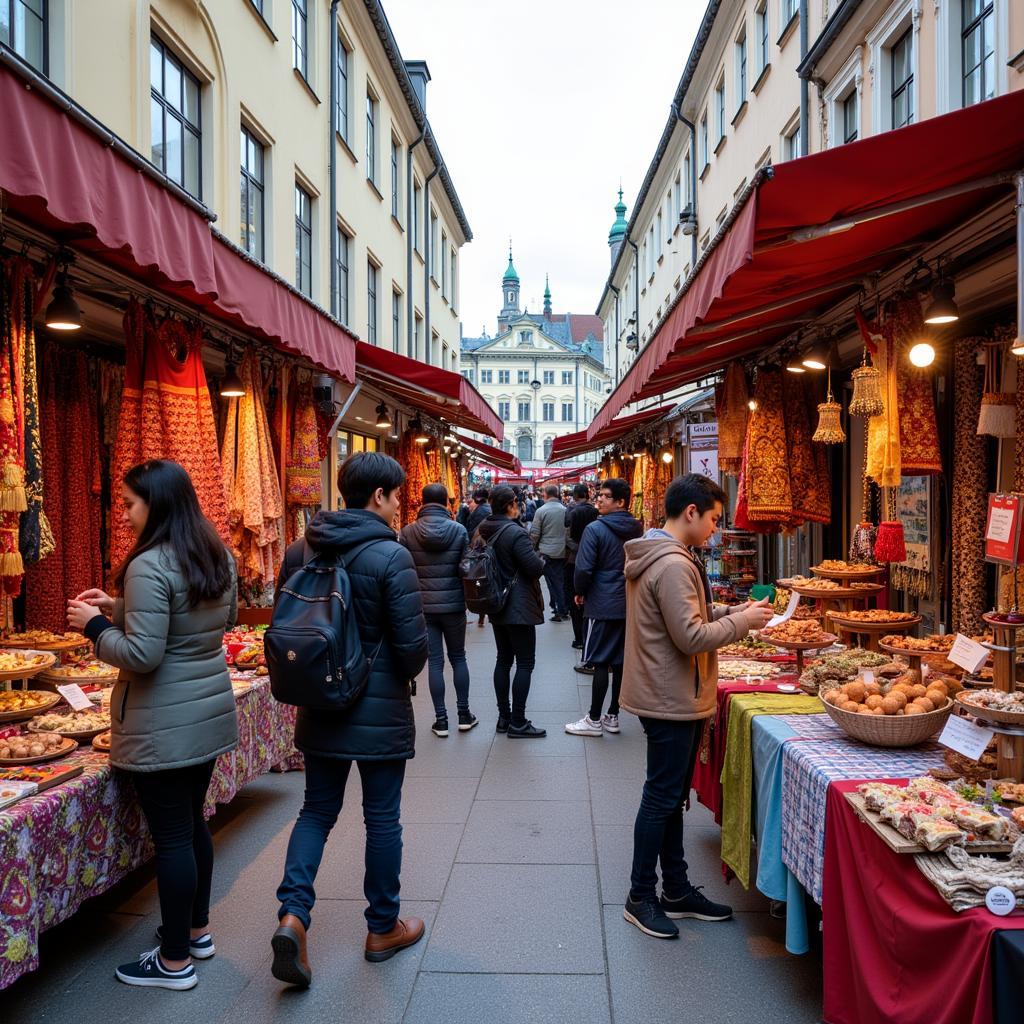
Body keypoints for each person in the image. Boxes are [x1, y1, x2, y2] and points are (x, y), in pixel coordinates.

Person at [67, 459, 238, 991]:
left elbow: (142, 654)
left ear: (156, 504)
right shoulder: (214, 553)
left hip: (163, 722)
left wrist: (95, 626)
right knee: (192, 826)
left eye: (128, 504)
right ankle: (196, 932)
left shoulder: (149, 563)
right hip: (206, 715)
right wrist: (120, 606)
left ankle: (172, 961)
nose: (123, 515)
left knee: (172, 838)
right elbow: (206, 621)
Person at [271, 452, 429, 986]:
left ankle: (293, 915)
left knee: (316, 811)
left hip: (319, 702)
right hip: (378, 707)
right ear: (379, 496)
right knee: (382, 817)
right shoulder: (391, 554)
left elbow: (285, 624)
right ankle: (382, 928)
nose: (398, 503)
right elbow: (412, 649)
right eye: (396, 494)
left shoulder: (300, 549)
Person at [619, 473, 773, 940]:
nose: (714, 529)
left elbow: (688, 618)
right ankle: (640, 895)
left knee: (669, 800)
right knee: (661, 798)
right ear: (691, 512)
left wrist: (731, 614)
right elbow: (689, 636)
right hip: (670, 696)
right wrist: (742, 622)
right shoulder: (672, 564)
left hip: (668, 692)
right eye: (712, 519)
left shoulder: (667, 557)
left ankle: (676, 889)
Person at [565, 478, 642, 737]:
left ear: (620, 501)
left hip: (601, 600)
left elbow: (584, 567)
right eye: (599, 495)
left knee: (599, 660)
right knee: (619, 661)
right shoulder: (637, 529)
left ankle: (594, 719)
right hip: (628, 600)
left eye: (606, 496)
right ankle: (613, 715)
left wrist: (579, 591)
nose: (599, 499)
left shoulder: (595, 529)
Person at [400, 482, 476, 738]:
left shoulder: (408, 532)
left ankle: (441, 719)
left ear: (422, 501)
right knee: (458, 658)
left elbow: (405, 570)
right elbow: (465, 568)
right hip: (453, 604)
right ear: (446, 502)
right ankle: (464, 715)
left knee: (434, 662)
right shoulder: (458, 530)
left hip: (423, 605)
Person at [478, 485, 547, 738]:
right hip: (518, 605)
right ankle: (518, 721)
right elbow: (533, 568)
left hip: (496, 602)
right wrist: (541, 561)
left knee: (503, 660)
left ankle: (503, 717)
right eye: (516, 502)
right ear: (510, 505)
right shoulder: (514, 533)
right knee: (525, 662)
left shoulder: (484, 529)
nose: (519, 505)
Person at [564, 482, 598, 652]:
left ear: (575, 496)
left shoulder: (571, 511)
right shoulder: (595, 511)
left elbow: (568, 536)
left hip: (574, 559)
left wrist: (578, 548)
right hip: (593, 558)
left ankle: (578, 638)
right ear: (588, 494)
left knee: (574, 599)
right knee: (589, 598)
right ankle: (589, 636)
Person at [529, 484, 569, 621]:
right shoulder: (565, 509)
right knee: (560, 580)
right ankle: (559, 606)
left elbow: (534, 533)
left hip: (546, 551)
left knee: (553, 582)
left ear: (545, 494)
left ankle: (560, 609)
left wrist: (531, 548)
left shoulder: (541, 511)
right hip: (562, 551)